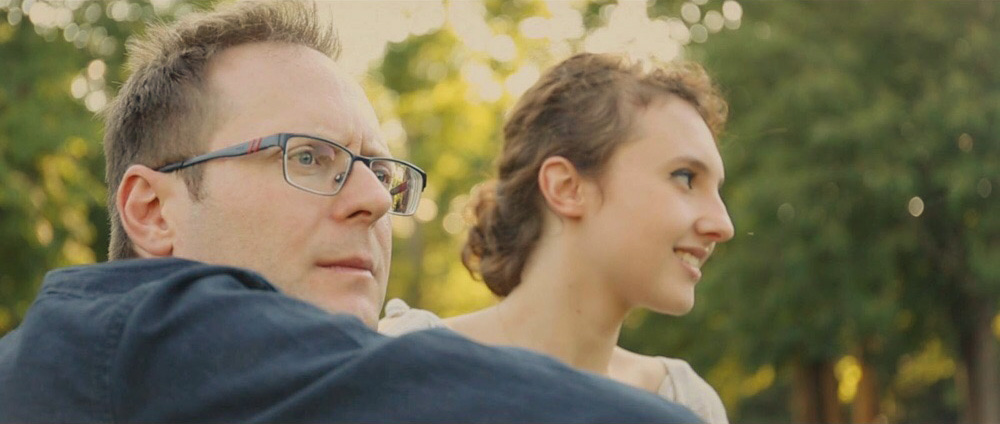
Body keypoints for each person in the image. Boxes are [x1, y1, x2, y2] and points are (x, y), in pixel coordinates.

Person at [0, 3, 704, 422]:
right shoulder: (98, 348)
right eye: (308, 157)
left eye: (378, 170)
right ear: (152, 210)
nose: (373, 201)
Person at [380, 52, 735, 423]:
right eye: (685, 177)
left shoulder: (689, 405)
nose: (723, 224)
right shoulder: (406, 361)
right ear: (566, 187)